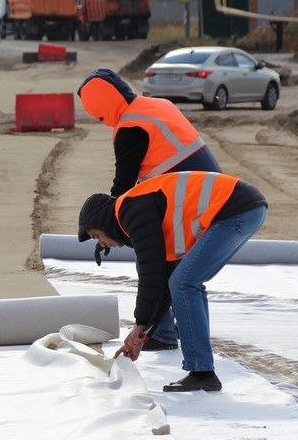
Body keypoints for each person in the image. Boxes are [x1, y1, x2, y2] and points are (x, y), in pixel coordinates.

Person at [77, 171, 267, 392]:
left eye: (96, 235)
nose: (102, 243)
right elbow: (162, 283)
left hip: (235, 209)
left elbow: (151, 274)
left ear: (103, 221)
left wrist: (140, 324)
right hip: (244, 207)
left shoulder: (131, 210)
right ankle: (202, 369)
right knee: (184, 282)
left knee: (184, 283)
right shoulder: (136, 212)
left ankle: (202, 372)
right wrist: (143, 333)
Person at [77, 68, 223, 352]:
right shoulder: (155, 105)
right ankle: (186, 330)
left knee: (157, 263)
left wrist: (109, 226)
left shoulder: (130, 128)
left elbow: (123, 187)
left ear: (99, 106)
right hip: (207, 192)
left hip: (188, 200)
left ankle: (164, 333)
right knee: (187, 274)